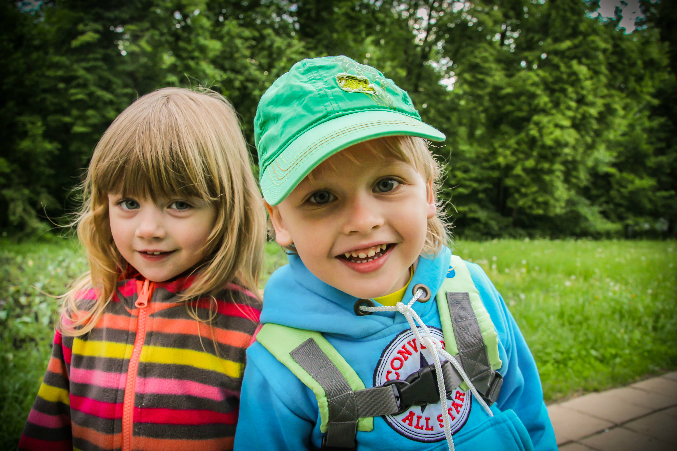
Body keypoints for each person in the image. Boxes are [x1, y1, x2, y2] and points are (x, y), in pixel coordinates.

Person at [234, 56, 557, 451]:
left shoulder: (471, 293)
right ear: (280, 221)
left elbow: (529, 415)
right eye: (321, 197)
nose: (363, 221)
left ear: (428, 192)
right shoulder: (281, 359)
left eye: (386, 184)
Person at [19, 88, 266, 451]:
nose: (148, 229)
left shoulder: (250, 327)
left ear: (226, 211)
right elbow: (46, 430)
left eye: (179, 204)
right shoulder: (84, 312)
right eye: (129, 202)